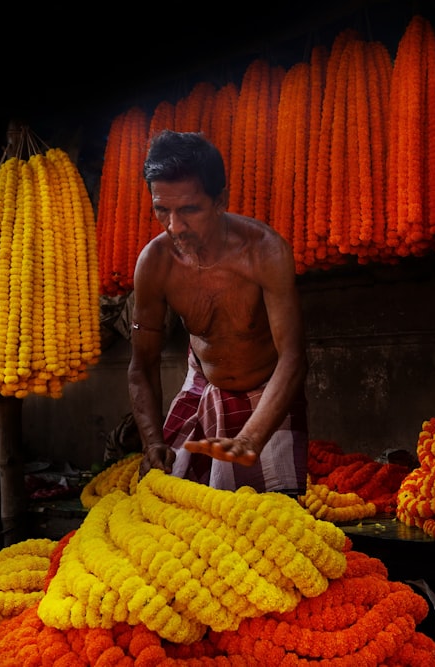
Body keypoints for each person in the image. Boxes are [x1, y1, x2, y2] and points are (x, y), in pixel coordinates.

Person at [128, 130, 308, 494]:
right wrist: (152, 442)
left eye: (189, 210)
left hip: (268, 389)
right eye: (162, 210)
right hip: (203, 382)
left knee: (269, 525)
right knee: (168, 504)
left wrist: (250, 439)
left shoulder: (265, 252)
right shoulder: (154, 263)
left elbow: (294, 358)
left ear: (220, 200)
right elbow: (142, 365)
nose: (174, 227)